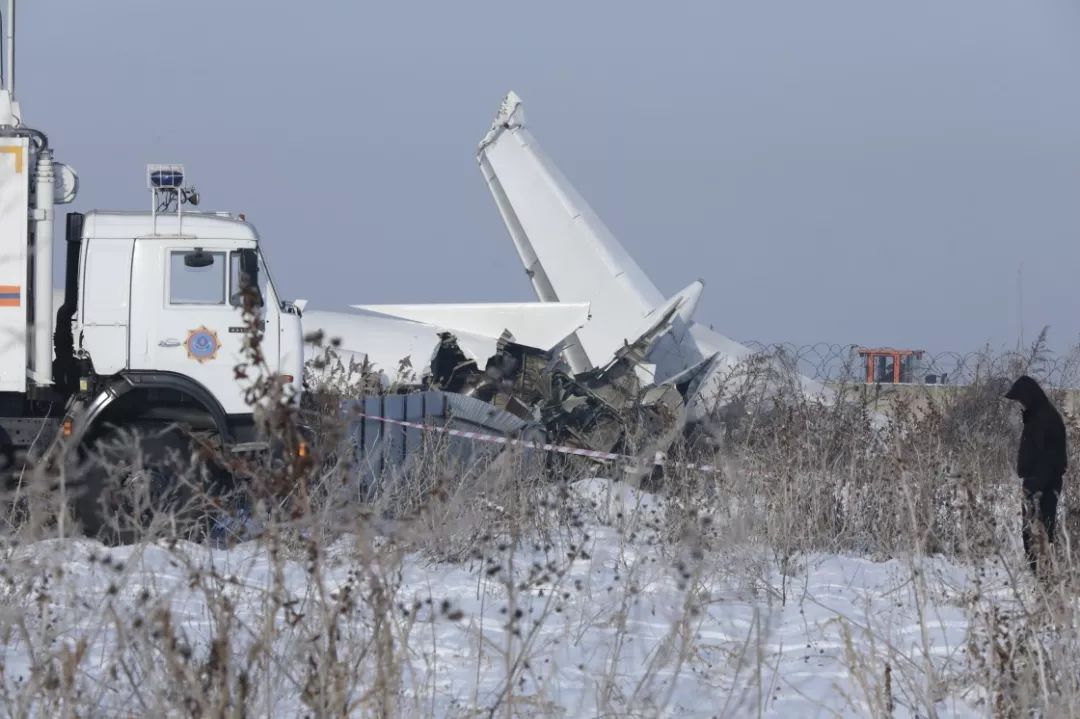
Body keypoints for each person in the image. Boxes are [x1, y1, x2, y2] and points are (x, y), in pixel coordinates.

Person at [1005, 375, 1067, 573]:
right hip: (1039, 483)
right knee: (1035, 530)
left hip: (1040, 485)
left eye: (1021, 400)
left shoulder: (1043, 419)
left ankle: (1041, 576)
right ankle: (1039, 574)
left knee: (1038, 531)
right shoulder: (1037, 416)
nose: (1020, 405)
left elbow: (1047, 458)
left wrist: (1033, 487)